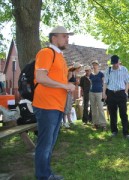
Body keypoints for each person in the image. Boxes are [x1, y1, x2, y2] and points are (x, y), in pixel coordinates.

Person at [33, 26, 75, 180]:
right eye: (64, 36)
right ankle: (43, 176)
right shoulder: (46, 53)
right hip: (46, 106)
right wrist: (65, 86)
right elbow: (41, 77)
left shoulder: (60, 57)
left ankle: (47, 174)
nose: (67, 39)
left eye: (67, 36)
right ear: (54, 38)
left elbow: (56, 79)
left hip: (56, 106)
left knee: (50, 144)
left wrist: (68, 82)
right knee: (45, 144)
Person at [102, 55, 129, 139]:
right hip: (111, 93)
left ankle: (126, 133)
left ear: (119, 61)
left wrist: (126, 92)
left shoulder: (124, 69)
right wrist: (104, 93)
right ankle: (114, 131)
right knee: (112, 113)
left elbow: (127, 82)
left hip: (121, 93)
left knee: (123, 113)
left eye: (116, 63)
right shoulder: (108, 70)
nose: (115, 65)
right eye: (113, 63)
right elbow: (105, 83)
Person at [62, 62, 82, 128]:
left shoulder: (75, 73)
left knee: (70, 105)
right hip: (67, 91)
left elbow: (74, 83)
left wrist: (76, 83)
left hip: (71, 91)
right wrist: (67, 87)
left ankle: (70, 120)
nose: (80, 69)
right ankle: (64, 122)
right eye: (79, 68)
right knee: (66, 105)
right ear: (77, 68)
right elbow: (66, 81)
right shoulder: (70, 73)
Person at [89, 60, 107, 130]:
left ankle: (103, 124)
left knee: (100, 108)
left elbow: (104, 84)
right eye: (93, 65)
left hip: (99, 92)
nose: (94, 66)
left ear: (98, 65)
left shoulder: (101, 74)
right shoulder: (91, 74)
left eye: (95, 64)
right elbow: (90, 83)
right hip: (92, 93)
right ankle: (95, 123)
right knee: (93, 109)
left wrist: (104, 93)